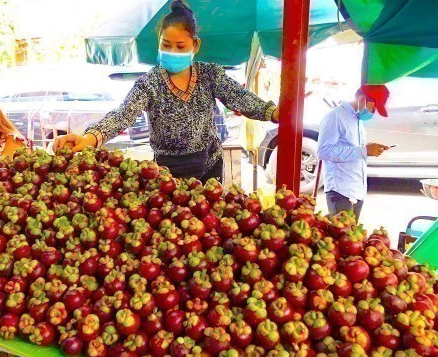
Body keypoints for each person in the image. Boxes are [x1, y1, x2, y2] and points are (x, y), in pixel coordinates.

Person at [53, 0, 279, 183]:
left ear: (195, 45)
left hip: (209, 166)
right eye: (166, 45)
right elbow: (123, 115)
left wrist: (272, 112)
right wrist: (91, 137)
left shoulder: (210, 75)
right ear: (158, 43)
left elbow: (239, 97)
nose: (172, 51)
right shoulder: (149, 83)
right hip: (166, 173)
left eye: (180, 46)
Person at [317, 85, 391, 220]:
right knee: (342, 237)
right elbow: (324, 151)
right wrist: (363, 150)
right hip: (341, 190)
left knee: (352, 237)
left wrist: (368, 149)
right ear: (362, 99)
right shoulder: (335, 117)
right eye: (373, 108)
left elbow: (354, 149)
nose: (373, 113)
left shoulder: (357, 120)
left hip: (357, 189)